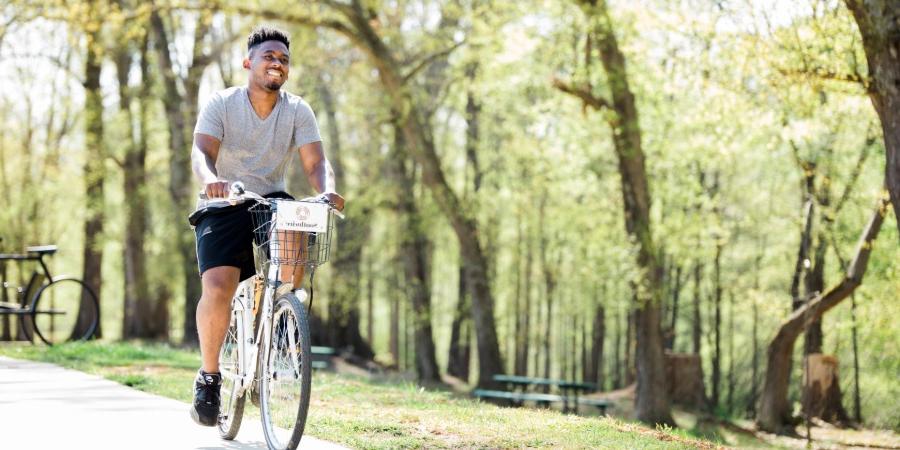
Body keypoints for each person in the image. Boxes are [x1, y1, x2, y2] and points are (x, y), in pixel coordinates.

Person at [188, 26, 344, 427]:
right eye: (269, 57)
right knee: (219, 286)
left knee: (294, 254)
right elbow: (202, 152)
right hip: (224, 202)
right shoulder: (222, 102)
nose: (277, 63)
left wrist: (327, 191)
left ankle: (277, 320)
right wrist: (211, 181)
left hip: (272, 200)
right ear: (248, 63)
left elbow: (315, 163)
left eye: (284, 59)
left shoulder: (297, 110)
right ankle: (209, 377)